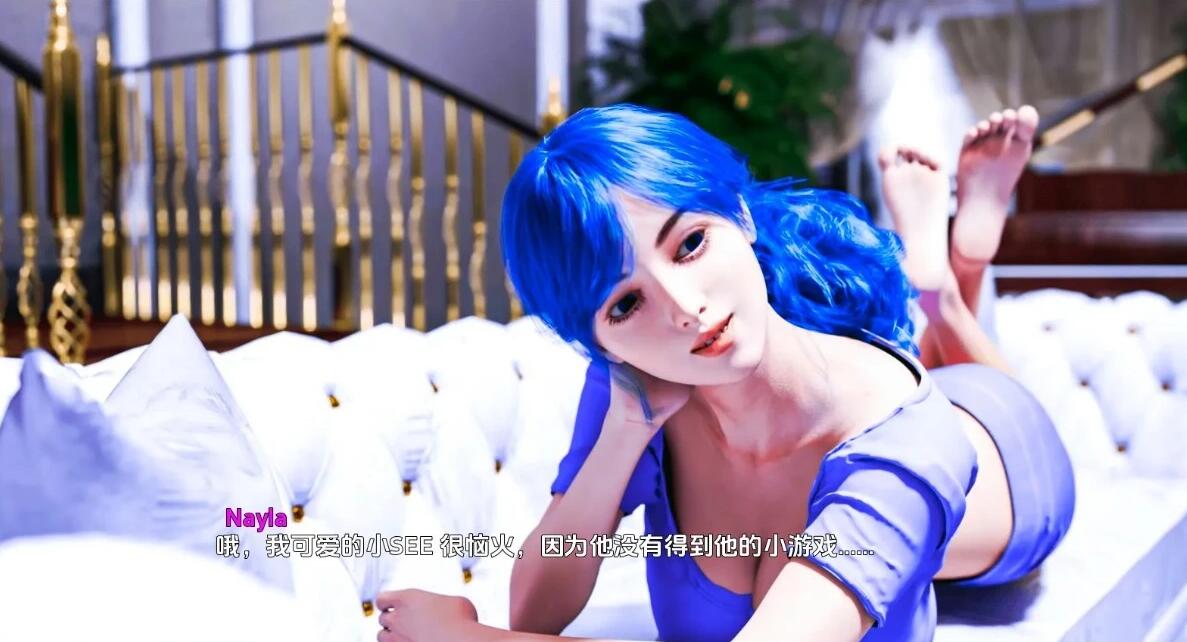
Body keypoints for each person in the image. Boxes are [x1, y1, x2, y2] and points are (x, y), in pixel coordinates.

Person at [375, 104, 1076, 642]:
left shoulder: (907, 444)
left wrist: (467, 638)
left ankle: (944, 293)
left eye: (689, 243)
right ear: (600, 343)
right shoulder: (633, 380)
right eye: (625, 303)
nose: (683, 308)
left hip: (1001, 453)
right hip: (825, 394)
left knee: (936, 502)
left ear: (740, 216)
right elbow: (536, 610)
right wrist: (624, 435)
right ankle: (939, 289)